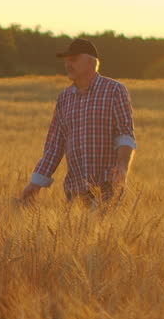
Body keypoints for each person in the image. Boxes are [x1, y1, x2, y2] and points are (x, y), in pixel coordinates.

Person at [19, 38, 136, 205]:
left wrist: (123, 166)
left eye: (73, 59)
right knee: (77, 230)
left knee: (103, 230)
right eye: (66, 60)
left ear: (90, 62)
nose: (68, 64)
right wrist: (35, 183)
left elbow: (125, 134)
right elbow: (55, 146)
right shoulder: (64, 98)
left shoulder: (114, 90)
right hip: (75, 193)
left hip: (108, 188)